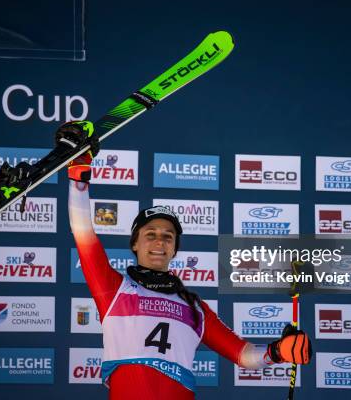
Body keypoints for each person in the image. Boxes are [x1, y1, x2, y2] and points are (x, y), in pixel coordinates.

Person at [60, 121, 312, 400]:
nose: (159, 242)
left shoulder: (195, 307)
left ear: (175, 248)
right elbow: (83, 231)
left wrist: (278, 351)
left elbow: (243, 355)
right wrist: (79, 175)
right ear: (134, 243)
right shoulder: (113, 289)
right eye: (151, 234)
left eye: (168, 237)